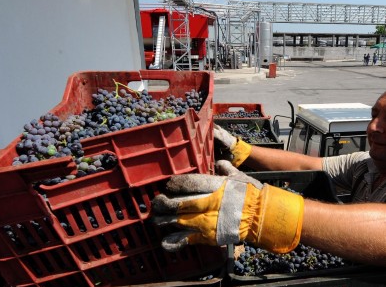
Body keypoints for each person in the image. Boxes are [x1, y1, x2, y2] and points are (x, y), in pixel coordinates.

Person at [151, 91, 386, 267]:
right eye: (374, 115)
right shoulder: (365, 164)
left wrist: (262, 209)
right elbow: (306, 165)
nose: (374, 127)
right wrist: (242, 150)